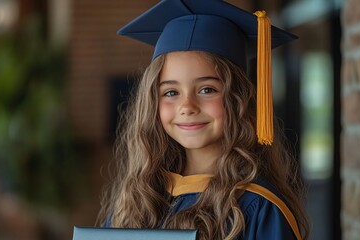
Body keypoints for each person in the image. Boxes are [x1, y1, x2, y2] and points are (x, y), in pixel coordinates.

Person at [97, 0, 310, 239]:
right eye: (170, 92)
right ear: (152, 103)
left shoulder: (258, 207)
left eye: (207, 89)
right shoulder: (140, 199)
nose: (187, 106)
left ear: (238, 98)